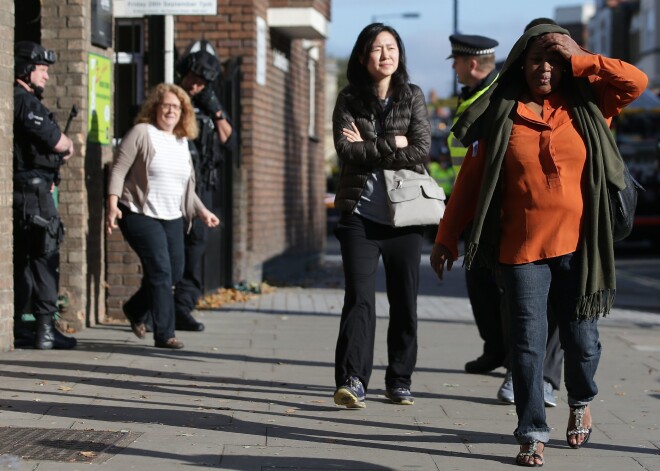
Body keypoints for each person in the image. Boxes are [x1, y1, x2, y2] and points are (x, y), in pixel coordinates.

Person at [431, 23, 647, 466]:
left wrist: (580, 54)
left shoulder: (592, 105)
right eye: (536, 60)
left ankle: (581, 400)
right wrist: (445, 237)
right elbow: (471, 182)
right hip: (521, 250)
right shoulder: (501, 115)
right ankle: (531, 431)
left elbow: (636, 80)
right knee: (526, 346)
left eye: (554, 60)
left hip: (581, 250)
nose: (545, 68)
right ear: (520, 65)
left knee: (582, 342)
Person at [331, 23, 431, 408]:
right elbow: (346, 151)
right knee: (359, 297)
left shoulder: (413, 95)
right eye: (377, 49)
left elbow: (421, 149)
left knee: (404, 298)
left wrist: (372, 144)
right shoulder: (348, 98)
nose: (386, 54)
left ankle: (399, 378)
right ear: (362, 56)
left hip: (404, 215)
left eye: (392, 47)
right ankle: (353, 379)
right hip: (359, 214)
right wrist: (394, 141)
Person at [106, 83, 220, 349]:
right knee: (160, 270)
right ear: (155, 108)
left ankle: (135, 309)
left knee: (175, 272)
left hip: (172, 216)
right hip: (139, 212)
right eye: (166, 105)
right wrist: (112, 204)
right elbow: (119, 170)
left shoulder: (181, 142)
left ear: (184, 113)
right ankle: (165, 333)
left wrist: (202, 211)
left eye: (176, 107)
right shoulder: (142, 132)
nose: (170, 111)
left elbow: (185, 188)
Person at [446, 33, 508, 375]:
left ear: (472, 63)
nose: (453, 66)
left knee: (500, 285)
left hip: (492, 209)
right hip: (471, 205)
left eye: (456, 61)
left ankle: (513, 355)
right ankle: (495, 348)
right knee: (479, 282)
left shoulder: (494, 97)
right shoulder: (471, 95)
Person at [12, 41, 77, 350]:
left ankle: (21, 328)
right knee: (44, 258)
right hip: (34, 195)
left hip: (22, 191)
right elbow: (58, 143)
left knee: (23, 261)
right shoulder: (26, 103)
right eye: (42, 70)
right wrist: (68, 145)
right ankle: (45, 332)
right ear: (26, 69)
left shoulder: (15, 100)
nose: (47, 76)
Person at [172, 42, 234, 332]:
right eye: (193, 79)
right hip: (178, 183)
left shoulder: (212, 102)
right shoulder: (172, 100)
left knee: (197, 243)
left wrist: (216, 111)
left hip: (204, 182)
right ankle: (156, 305)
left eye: (202, 82)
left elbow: (229, 140)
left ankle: (183, 305)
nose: (196, 86)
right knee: (174, 245)